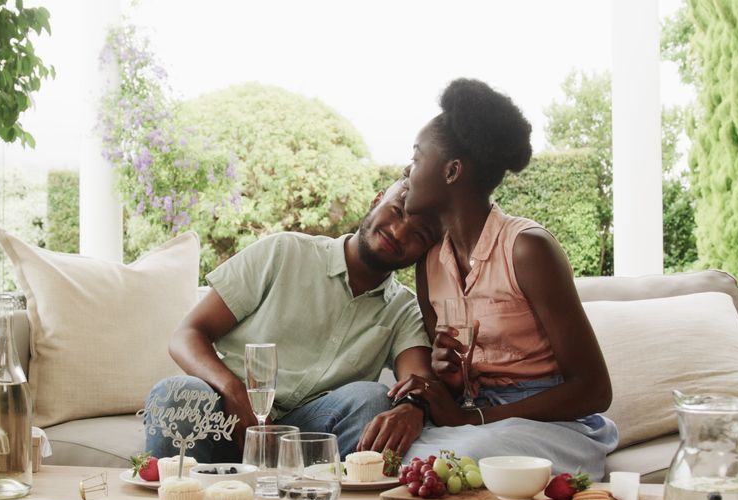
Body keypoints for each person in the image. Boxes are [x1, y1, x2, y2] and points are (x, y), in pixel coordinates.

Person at [392, 78, 619, 479]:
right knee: (388, 453)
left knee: (458, 463)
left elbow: (594, 390)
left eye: (416, 156)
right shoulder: (428, 265)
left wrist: (477, 419)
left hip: (547, 425)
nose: (406, 171)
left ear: (451, 171)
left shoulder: (527, 250)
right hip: (471, 422)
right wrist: (445, 380)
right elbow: (452, 389)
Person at [144, 179, 442, 462]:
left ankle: (295, 496)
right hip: (224, 417)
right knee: (177, 393)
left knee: (373, 398)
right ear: (378, 200)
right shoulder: (284, 251)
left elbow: (417, 383)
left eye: (419, 236)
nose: (399, 233)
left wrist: (413, 407)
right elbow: (186, 334)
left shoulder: (403, 309)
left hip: (305, 445)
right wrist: (233, 391)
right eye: (397, 211)